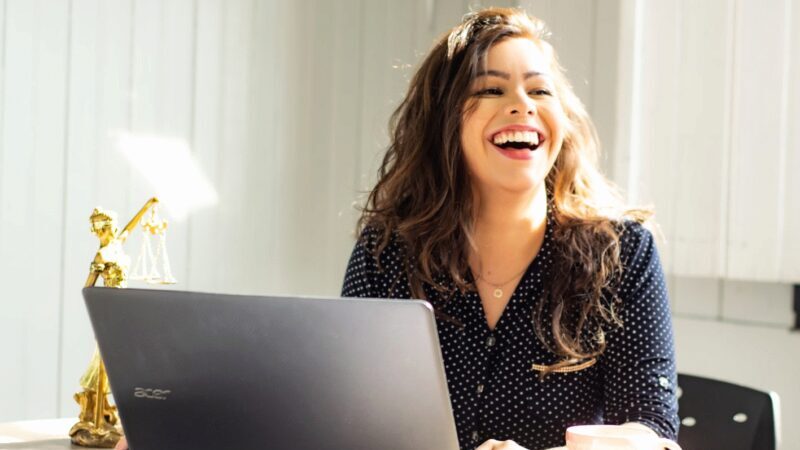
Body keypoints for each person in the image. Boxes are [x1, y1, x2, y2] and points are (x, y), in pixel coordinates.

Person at [340, 7, 678, 450]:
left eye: (540, 89)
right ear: (444, 121)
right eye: (491, 89)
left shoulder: (623, 253)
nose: (523, 104)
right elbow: (348, 419)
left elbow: (652, 431)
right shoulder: (386, 251)